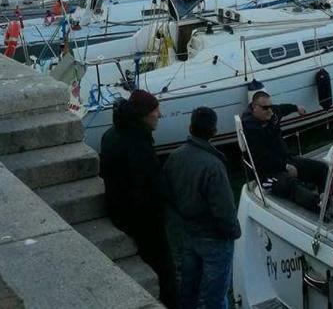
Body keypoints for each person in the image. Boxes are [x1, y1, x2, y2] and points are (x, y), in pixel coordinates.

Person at [100, 90, 178, 309]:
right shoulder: (137, 145)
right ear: (144, 114)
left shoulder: (112, 135)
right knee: (166, 272)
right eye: (156, 110)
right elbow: (144, 188)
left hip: (122, 211)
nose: (160, 115)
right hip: (142, 221)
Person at [163, 107, 240, 309]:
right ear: (214, 131)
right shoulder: (214, 165)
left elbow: (167, 194)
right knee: (216, 295)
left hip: (188, 233)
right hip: (215, 238)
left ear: (190, 127)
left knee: (188, 289)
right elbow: (224, 208)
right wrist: (233, 231)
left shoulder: (174, 157)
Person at [242, 91, 333, 214]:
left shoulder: (271, 113)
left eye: (270, 107)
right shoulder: (251, 129)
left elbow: (281, 108)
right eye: (265, 108)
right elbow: (262, 157)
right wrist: (285, 167)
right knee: (292, 184)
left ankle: (332, 200)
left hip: (285, 160)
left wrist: (296, 108)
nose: (269, 111)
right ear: (254, 107)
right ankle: (320, 207)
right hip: (267, 173)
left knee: (322, 168)